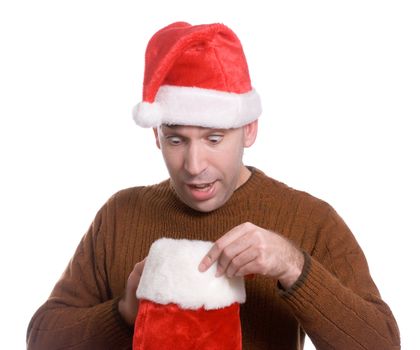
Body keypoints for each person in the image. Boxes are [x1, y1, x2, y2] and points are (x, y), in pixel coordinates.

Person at [27, 22, 400, 350]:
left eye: (214, 139)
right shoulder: (120, 214)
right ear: (157, 136)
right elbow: (40, 338)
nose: (194, 166)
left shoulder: (310, 219)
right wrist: (125, 312)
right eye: (176, 140)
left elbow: (383, 344)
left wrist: (292, 265)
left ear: (249, 129)